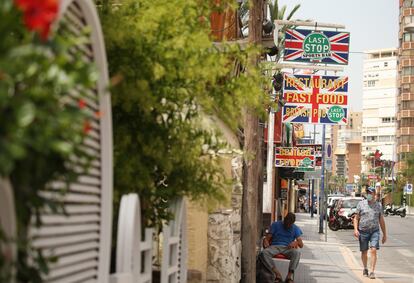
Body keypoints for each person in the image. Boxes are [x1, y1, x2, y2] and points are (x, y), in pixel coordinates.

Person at [353, 187, 387, 279]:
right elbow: (356, 218)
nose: (369, 194)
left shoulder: (379, 205)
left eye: (371, 193)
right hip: (363, 231)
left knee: (373, 250)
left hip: (374, 231)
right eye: (368, 193)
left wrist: (384, 234)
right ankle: (365, 268)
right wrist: (355, 229)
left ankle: (372, 271)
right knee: (364, 252)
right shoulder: (361, 204)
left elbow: (381, 220)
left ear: (374, 194)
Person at [260, 212, 303, 283]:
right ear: (284, 219)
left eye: (290, 224)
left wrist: (296, 242)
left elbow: (301, 245)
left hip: (288, 248)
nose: (288, 225)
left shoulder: (295, 228)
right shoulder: (276, 225)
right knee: (264, 253)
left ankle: (289, 276)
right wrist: (265, 241)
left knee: (297, 253)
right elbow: (267, 238)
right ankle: (277, 274)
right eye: (286, 223)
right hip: (275, 247)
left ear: (293, 223)